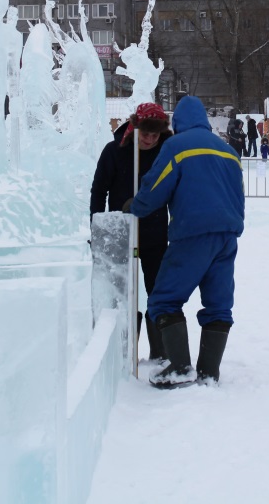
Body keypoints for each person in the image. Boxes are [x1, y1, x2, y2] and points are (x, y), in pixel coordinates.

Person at [123, 96, 244, 389]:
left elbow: (156, 186)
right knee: (218, 305)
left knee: (164, 299)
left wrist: (134, 206)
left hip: (192, 233)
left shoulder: (176, 147)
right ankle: (208, 373)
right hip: (227, 236)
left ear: (177, 123)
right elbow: (239, 196)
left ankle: (179, 368)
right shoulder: (229, 152)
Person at [91, 102, 172, 363]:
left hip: (154, 232)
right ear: (134, 128)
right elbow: (99, 190)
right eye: (145, 134)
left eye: (155, 135)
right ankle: (123, 350)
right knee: (121, 292)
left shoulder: (164, 153)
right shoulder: (115, 151)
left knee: (157, 290)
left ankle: (160, 352)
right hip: (119, 233)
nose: (149, 140)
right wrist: (97, 228)